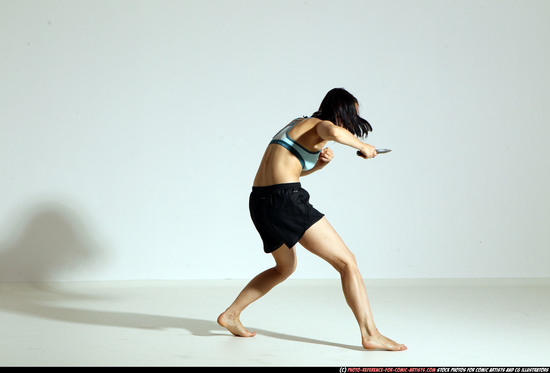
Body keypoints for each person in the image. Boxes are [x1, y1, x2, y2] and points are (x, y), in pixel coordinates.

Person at [217, 88, 407, 351]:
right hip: (285, 199)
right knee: (347, 262)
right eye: (353, 114)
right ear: (342, 112)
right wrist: (364, 146)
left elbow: (284, 170)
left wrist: (317, 166)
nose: (354, 120)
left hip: (260, 200)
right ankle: (370, 333)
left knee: (284, 268)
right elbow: (335, 132)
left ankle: (231, 314)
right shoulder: (322, 125)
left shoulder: (297, 123)